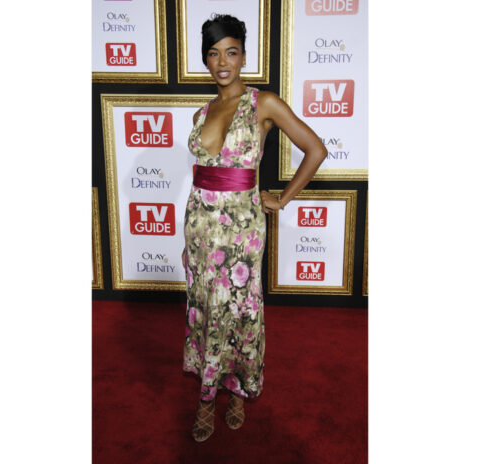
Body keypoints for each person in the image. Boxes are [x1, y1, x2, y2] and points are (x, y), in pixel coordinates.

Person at [181, 14, 327, 442]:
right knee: (207, 309)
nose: (223, 62)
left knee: (241, 311)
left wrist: (281, 198)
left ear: (244, 56)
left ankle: (239, 390)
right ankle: (207, 397)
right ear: (205, 60)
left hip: (242, 232)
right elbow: (202, 179)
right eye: (213, 53)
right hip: (200, 228)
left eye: (231, 52)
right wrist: (188, 239)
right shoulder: (201, 112)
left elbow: (315, 149)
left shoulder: (263, 104)